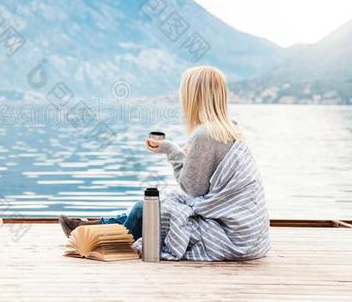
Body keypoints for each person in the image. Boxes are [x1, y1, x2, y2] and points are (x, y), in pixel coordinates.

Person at [59, 65, 270, 261]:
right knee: (153, 207)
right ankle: (90, 225)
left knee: (144, 209)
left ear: (194, 95)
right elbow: (207, 186)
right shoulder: (231, 129)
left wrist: (170, 151)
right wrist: (185, 155)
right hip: (249, 233)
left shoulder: (204, 134)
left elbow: (193, 189)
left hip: (229, 236)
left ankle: (95, 237)